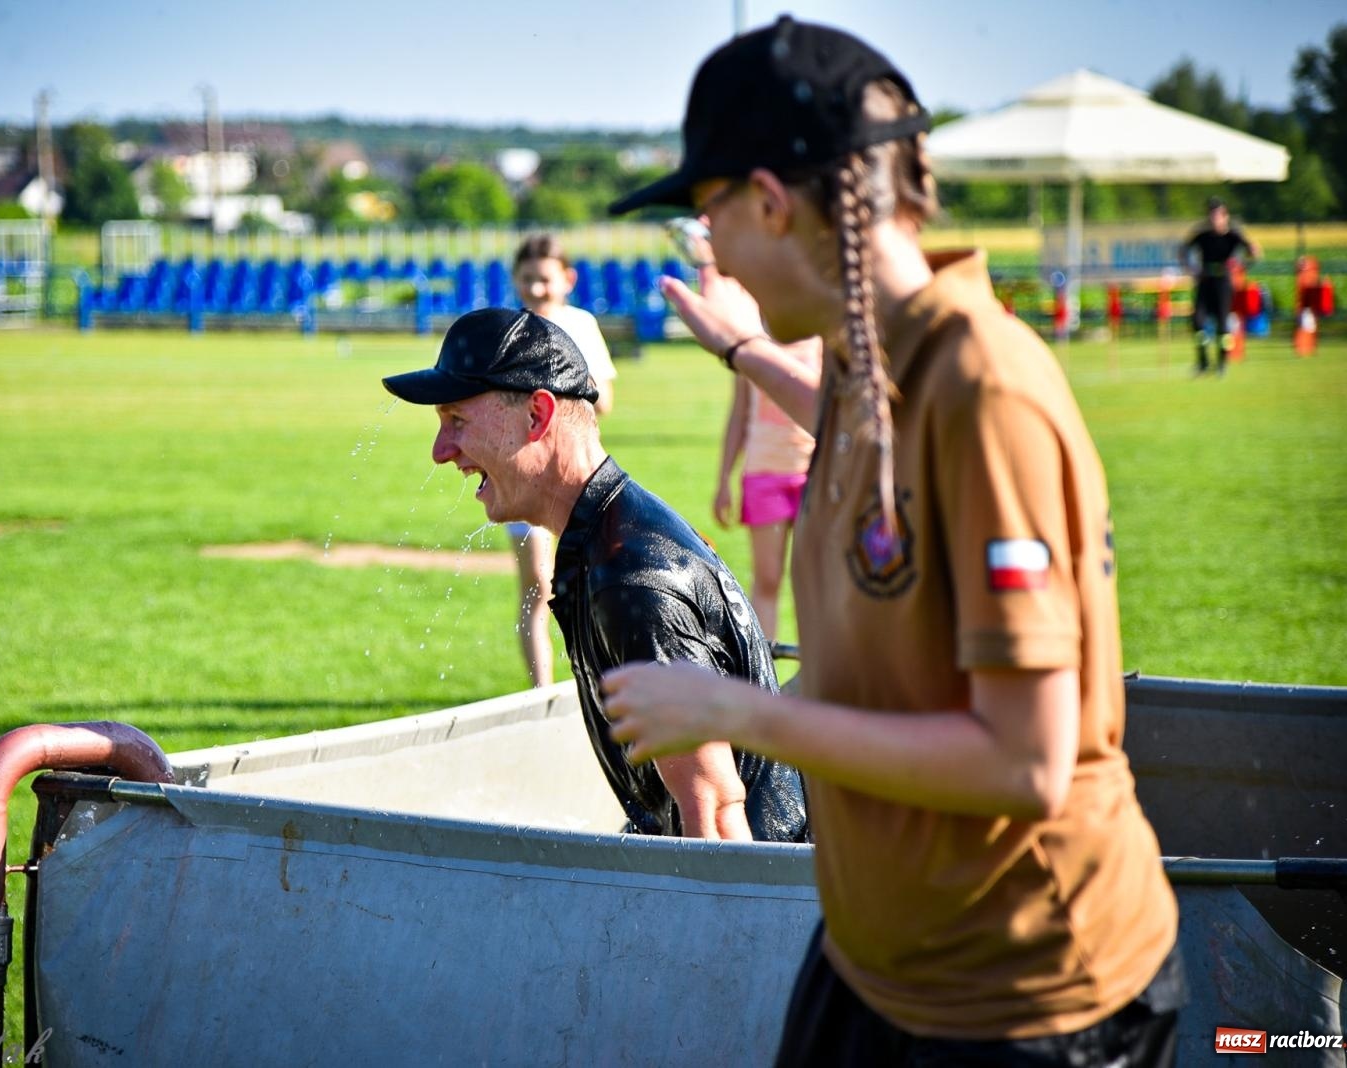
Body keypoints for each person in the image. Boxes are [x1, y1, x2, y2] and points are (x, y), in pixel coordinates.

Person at [603, 17, 1184, 1065]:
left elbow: (1023, 761)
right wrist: (737, 346)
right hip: (877, 959)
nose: (711, 251)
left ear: (771, 202)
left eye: (707, 215)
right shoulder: (875, 366)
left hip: (1021, 997)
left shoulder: (982, 387)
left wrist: (737, 712)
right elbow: (847, 412)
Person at [382, 307, 807, 843]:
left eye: (457, 422)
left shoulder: (631, 578)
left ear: (537, 416)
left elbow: (719, 817)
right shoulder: (607, 537)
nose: (441, 452)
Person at [506, 234, 620, 688]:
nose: (536, 289)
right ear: (515, 280)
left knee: (592, 581)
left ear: (567, 280)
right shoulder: (508, 330)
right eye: (527, 279)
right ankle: (542, 692)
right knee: (538, 583)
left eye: (545, 280)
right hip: (524, 470)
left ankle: (595, 679)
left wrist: (562, 387)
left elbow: (605, 400)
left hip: (579, 472)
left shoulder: (581, 325)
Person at [713, 336, 820, 637]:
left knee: (811, 581)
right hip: (764, 474)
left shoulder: (820, 342)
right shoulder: (749, 343)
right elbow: (739, 415)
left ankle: (811, 671)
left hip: (813, 475)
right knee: (768, 578)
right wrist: (724, 479)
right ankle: (765, 672)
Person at [1180, 196, 1261, 375]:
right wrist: (1191, 269)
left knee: (1222, 326)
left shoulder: (1233, 235)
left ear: (1225, 216)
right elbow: (1183, 250)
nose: (1213, 219)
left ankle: (1222, 364)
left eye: (1217, 215)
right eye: (1211, 215)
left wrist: (1243, 266)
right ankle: (1203, 362)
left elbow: (1254, 252)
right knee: (1198, 322)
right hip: (1205, 280)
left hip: (1223, 282)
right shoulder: (1202, 235)